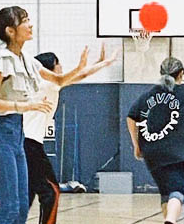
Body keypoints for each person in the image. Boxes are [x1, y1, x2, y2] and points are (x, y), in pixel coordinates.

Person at [0, 6, 97, 224]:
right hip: (0, 137)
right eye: (25, 21)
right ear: (10, 31)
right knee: (10, 207)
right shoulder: (1, 60)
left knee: (23, 205)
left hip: (17, 137)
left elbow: (59, 80)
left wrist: (79, 67)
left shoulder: (26, 59)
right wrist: (27, 106)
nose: (30, 24)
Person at [25, 47, 119, 224]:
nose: (61, 67)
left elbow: (78, 75)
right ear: (50, 69)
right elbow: (79, 75)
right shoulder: (48, 84)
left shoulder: (36, 86)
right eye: (58, 64)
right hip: (30, 145)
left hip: (25, 145)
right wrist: (102, 63)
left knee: (28, 196)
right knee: (51, 192)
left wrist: (100, 63)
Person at [127, 57, 184, 224]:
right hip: (177, 153)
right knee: (177, 191)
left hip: (152, 152)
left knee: (165, 193)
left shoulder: (146, 96)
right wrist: (180, 139)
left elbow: (131, 117)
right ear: (181, 74)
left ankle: (168, 218)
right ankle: (170, 220)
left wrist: (136, 145)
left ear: (161, 73)